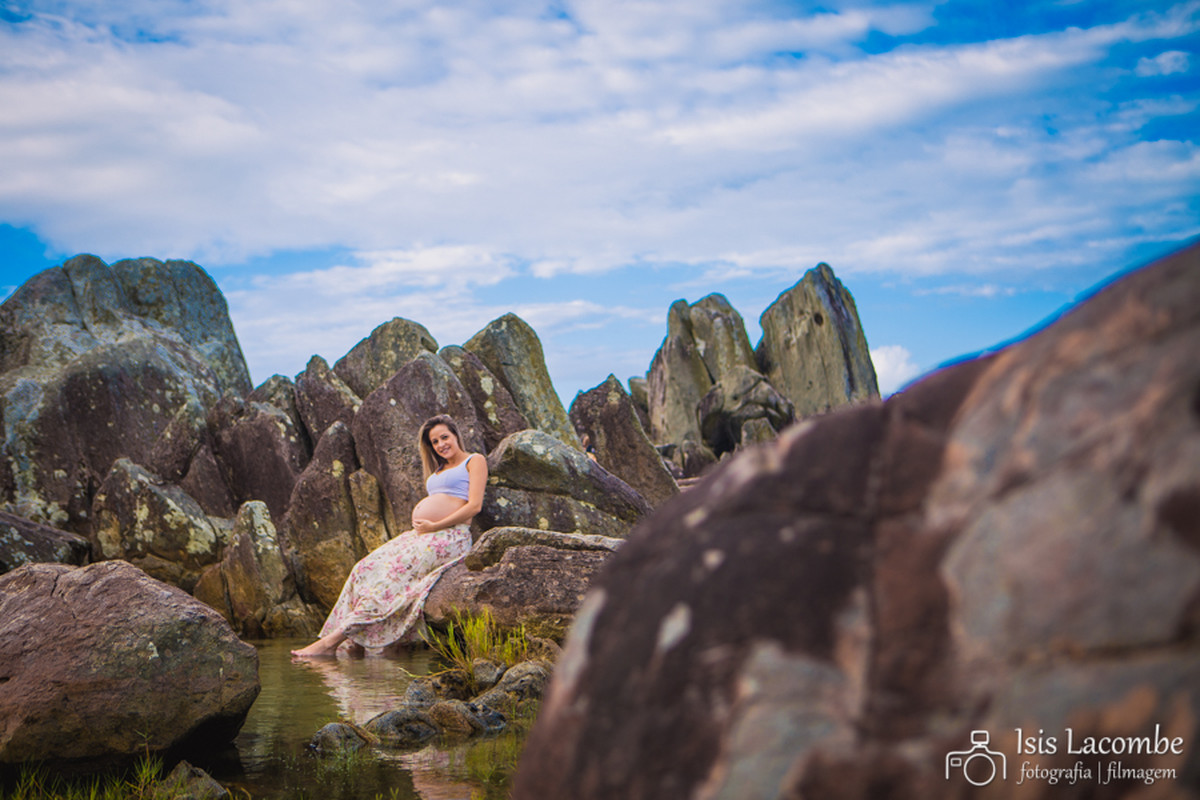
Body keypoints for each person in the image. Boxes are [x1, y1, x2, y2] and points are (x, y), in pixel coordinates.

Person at [291, 414, 487, 657]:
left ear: (456, 435)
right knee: (364, 568)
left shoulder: (473, 460)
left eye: (444, 437)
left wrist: (434, 526)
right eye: (434, 442)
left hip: (450, 537)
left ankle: (330, 643)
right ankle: (355, 644)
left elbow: (473, 507)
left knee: (390, 580)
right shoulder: (438, 469)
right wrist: (425, 528)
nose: (440, 445)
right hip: (424, 534)